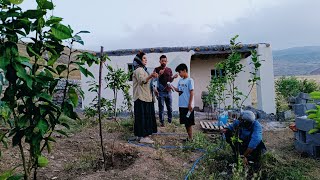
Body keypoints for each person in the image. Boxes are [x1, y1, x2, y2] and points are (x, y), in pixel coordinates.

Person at [132, 52, 158, 144]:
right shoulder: (139, 70)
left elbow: (148, 83)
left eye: (146, 58)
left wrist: (154, 89)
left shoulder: (143, 70)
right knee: (143, 117)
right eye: (144, 58)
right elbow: (142, 81)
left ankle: (141, 135)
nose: (146, 60)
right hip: (142, 97)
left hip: (145, 97)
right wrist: (151, 76)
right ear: (139, 60)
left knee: (142, 117)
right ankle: (144, 137)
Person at [153, 55, 178, 127]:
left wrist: (173, 77)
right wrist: (159, 74)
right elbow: (154, 80)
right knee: (161, 108)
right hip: (160, 92)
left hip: (169, 91)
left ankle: (170, 121)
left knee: (169, 108)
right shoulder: (156, 69)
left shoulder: (169, 69)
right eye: (162, 61)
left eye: (165, 61)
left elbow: (170, 80)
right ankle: (162, 122)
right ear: (160, 61)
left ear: (167, 61)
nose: (163, 62)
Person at [171, 63, 195, 140]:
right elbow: (179, 90)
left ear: (184, 70)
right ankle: (189, 137)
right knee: (185, 122)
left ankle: (191, 138)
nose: (179, 74)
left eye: (180, 72)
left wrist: (190, 104)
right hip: (181, 105)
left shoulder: (190, 80)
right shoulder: (180, 81)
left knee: (189, 123)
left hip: (188, 106)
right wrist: (172, 87)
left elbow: (192, 92)